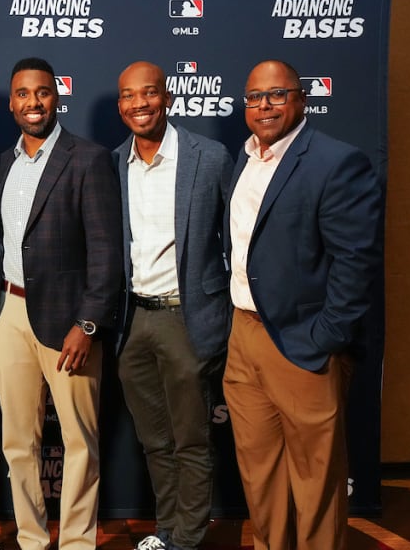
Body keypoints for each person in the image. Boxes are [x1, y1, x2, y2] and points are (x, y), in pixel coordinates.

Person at [224, 59, 383, 550]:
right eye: (254, 97)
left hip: (303, 340)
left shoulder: (336, 161)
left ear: (301, 97)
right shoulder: (246, 157)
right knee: (259, 470)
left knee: (316, 480)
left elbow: (356, 263)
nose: (264, 106)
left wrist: (325, 337)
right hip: (243, 334)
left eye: (276, 94)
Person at [0, 57, 122, 550]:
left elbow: (107, 251)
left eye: (42, 92)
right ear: (12, 103)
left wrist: (87, 325)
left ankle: (79, 542)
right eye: (23, 94)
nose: (33, 102)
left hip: (70, 320)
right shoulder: (7, 161)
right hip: (11, 314)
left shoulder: (88, 157)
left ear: (56, 96)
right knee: (18, 441)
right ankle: (32, 538)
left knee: (79, 440)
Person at [112, 61, 232, 550]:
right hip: (131, 321)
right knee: (154, 439)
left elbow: (238, 234)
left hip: (188, 317)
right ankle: (166, 530)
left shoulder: (211, 156)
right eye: (128, 96)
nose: (139, 103)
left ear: (167, 97)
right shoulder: (115, 162)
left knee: (191, 439)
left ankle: (188, 537)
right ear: (120, 105)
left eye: (149, 93)